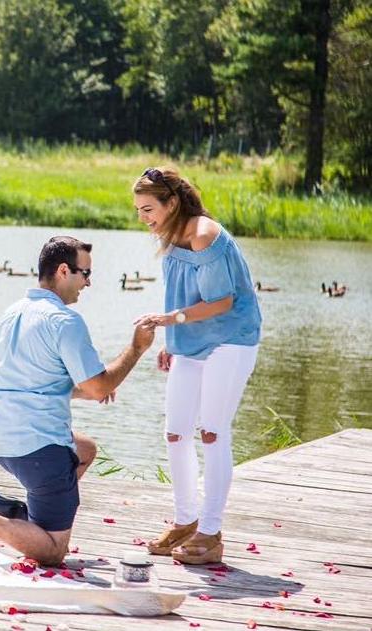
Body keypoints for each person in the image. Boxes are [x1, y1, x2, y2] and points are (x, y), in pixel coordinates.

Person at [0, 235, 155, 571]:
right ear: (63, 271)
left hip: (2, 440)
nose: (88, 283)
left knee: (85, 449)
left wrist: (83, 389)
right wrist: (136, 348)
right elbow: (101, 387)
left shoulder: (13, 312)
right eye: (85, 273)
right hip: (38, 448)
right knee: (54, 551)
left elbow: (38, 381)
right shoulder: (64, 321)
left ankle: (19, 513)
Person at [132, 166, 262, 565]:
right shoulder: (170, 236)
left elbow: (221, 302)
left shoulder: (204, 234)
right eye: (138, 210)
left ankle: (211, 530)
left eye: (149, 208)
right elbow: (181, 293)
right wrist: (174, 342)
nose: (143, 218)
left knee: (212, 432)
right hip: (192, 341)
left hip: (232, 339)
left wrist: (171, 321)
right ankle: (186, 520)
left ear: (172, 203)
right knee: (175, 433)